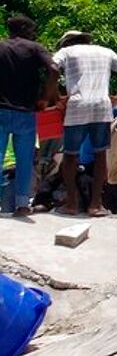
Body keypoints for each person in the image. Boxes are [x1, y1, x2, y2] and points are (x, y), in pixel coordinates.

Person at [52, 31, 117, 216]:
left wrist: (56, 97)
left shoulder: (66, 52)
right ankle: (96, 205)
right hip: (101, 105)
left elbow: (52, 68)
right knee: (100, 155)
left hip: (77, 105)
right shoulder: (105, 51)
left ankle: (71, 204)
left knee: (70, 156)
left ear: (68, 42)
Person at [0, 15, 59, 217]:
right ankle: (22, 206)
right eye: (32, 29)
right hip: (26, 112)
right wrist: (45, 98)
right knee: (24, 159)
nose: (33, 33)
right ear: (25, 29)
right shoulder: (35, 48)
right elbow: (54, 69)